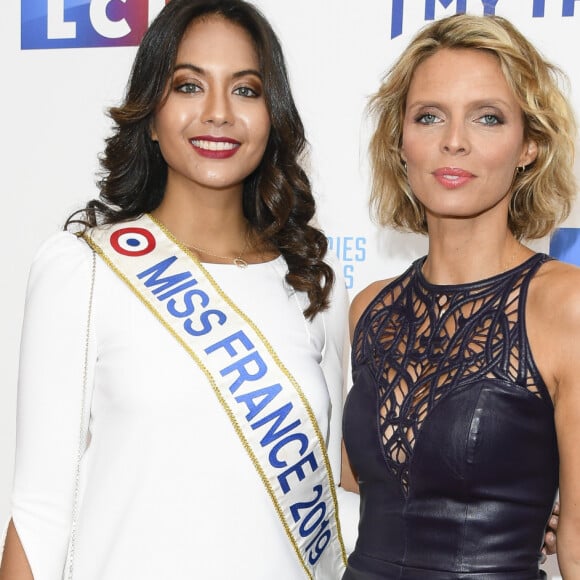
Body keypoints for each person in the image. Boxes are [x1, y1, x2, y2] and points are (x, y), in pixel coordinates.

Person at [0, 1, 358, 578]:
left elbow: (336, 499)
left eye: (245, 90)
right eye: (189, 86)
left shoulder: (312, 284)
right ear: (151, 109)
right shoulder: (85, 268)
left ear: (273, 114)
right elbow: (40, 512)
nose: (217, 113)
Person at [341, 13, 579, 580]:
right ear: (401, 142)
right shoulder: (370, 308)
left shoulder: (564, 306)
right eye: (430, 117)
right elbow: (362, 479)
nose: (454, 141)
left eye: (488, 118)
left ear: (530, 145)